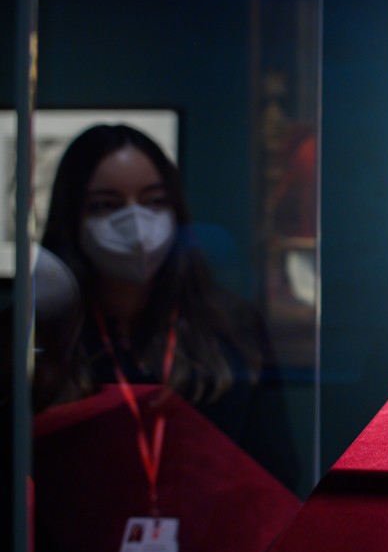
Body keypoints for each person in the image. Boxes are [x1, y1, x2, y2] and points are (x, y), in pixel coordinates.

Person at [34, 123, 297, 488]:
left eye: (154, 201)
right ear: (72, 217)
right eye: (106, 205)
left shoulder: (230, 325)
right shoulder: (39, 334)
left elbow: (275, 472)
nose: (137, 223)